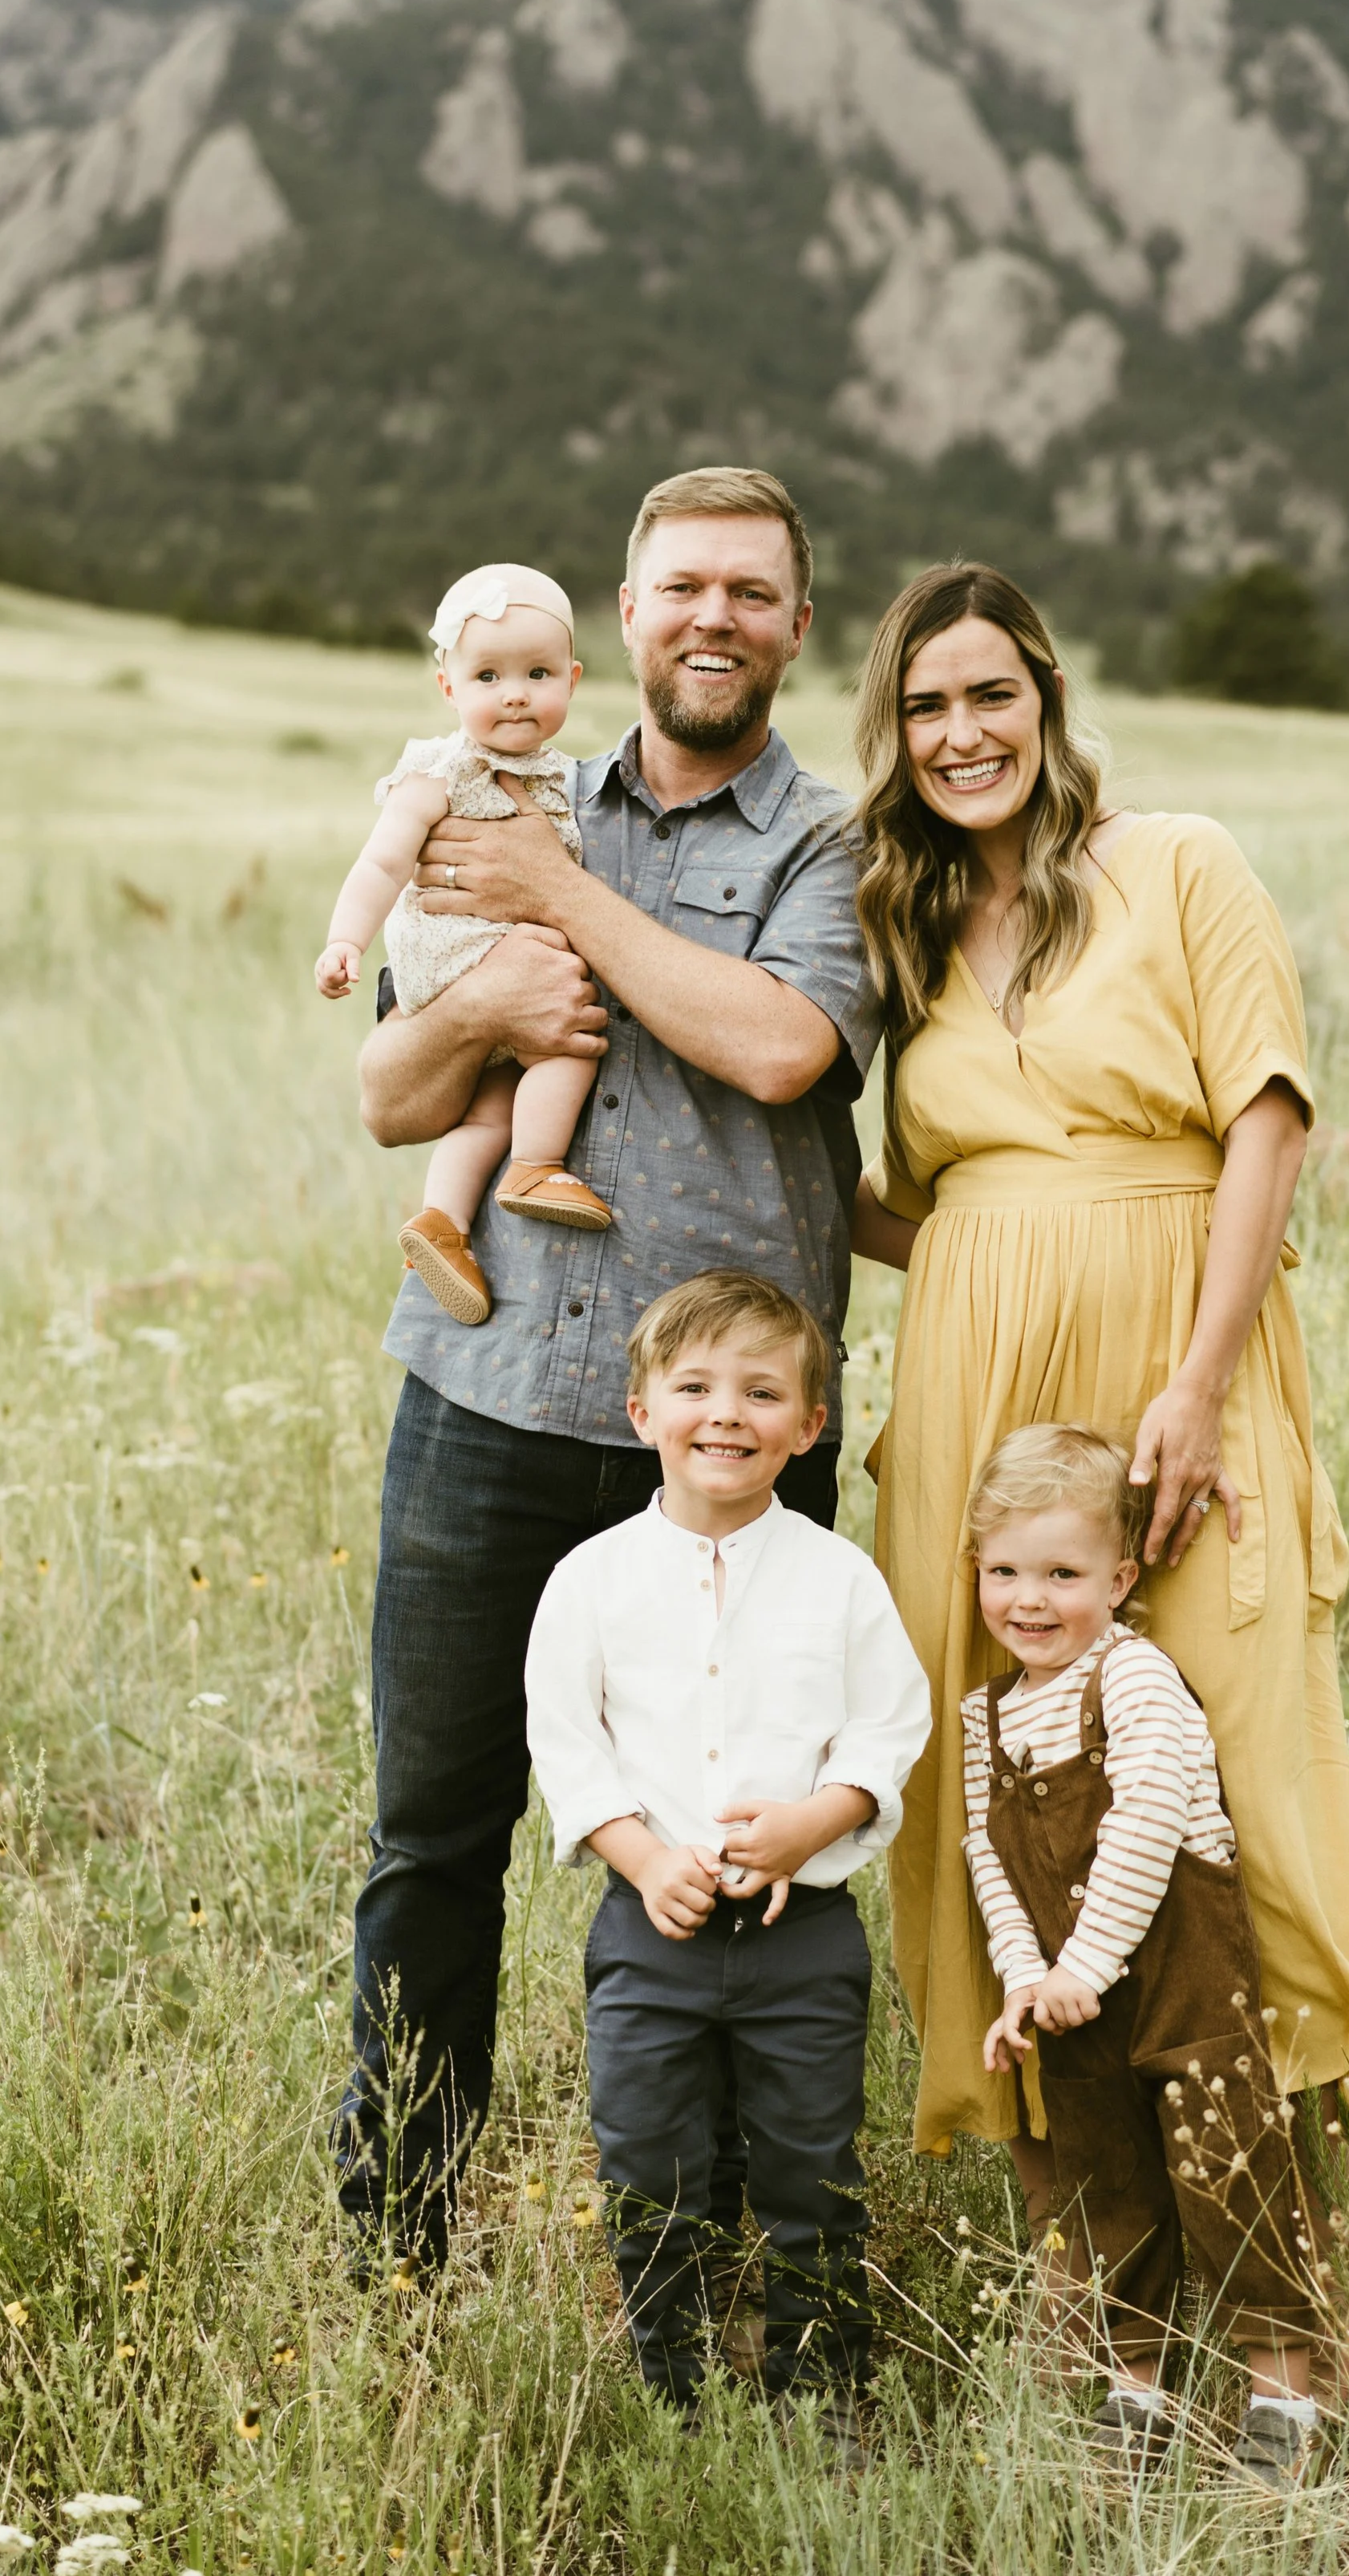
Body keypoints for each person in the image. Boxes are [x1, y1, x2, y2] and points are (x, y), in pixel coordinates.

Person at [333, 469, 880, 2278]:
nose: (709, 617)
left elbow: (781, 1045)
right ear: (622, 617)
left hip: (729, 1439)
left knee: (735, 1838)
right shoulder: (504, 794)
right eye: (677, 588)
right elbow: (392, 1099)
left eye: (749, 590)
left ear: (798, 625)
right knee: (435, 1835)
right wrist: (482, 1007)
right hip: (484, 1392)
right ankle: (397, 2235)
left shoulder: (831, 844)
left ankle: (713, 2241)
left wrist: (560, 899)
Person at [848, 561, 1349, 2172]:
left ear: (1047, 701)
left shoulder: (1174, 863)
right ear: (892, 733)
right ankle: (1065, 2162)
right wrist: (964, 1268)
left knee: (1220, 1732)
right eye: (924, 706)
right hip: (975, 1387)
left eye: (988, 695)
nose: (961, 734)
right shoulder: (907, 917)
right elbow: (916, 1197)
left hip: (1176, 1348)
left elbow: (1266, 1119)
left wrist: (1194, 1381)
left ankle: (1257, 2154)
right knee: (992, 1746)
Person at [525, 1272, 930, 2446]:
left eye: (762, 1391)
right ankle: (677, 2385)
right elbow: (567, 1736)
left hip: (801, 1933)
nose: (726, 1413)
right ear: (642, 1408)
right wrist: (643, 1854)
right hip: (648, 1928)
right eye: (695, 1386)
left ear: (809, 1426)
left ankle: (822, 2381)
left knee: (812, 2161)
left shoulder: (837, 1577)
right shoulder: (591, 1579)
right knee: (652, 2157)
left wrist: (816, 1822)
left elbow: (888, 1723)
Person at [962, 1423, 1331, 2491]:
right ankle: (1137, 2389)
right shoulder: (986, 1714)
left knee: (1233, 2176)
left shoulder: (1134, 1680)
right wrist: (1027, 1977)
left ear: (1120, 1578)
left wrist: (1085, 1963)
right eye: (1005, 1571)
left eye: (1063, 1573)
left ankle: (1285, 2395)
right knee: (1106, 2188)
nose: (1029, 1599)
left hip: (1182, 1986)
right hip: (1075, 2007)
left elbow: (1147, 1819)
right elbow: (988, 1852)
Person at [316, 561, 612, 1328]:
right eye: (488, 675)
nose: (515, 691)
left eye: (537, 672)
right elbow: (382, 862)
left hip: (490, 955)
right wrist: (346, 939)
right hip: (459, 956)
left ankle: (441, 1222)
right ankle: (537, 1167)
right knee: (572, 1037)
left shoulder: (564, 775)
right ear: (449, 687)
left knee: (486, 1109)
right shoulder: (440, 771)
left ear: (572, 681)